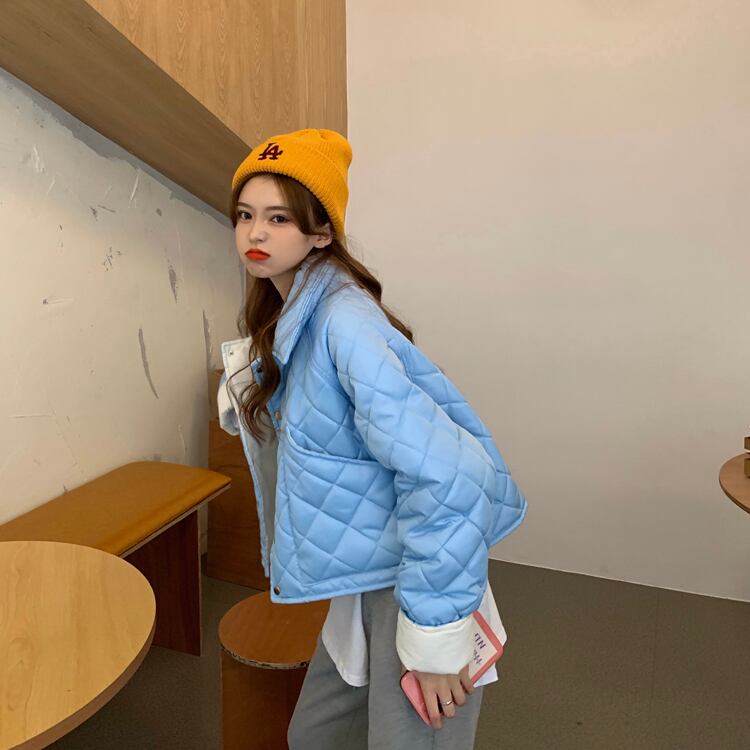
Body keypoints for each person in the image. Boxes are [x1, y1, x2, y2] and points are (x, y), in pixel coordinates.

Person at [217, 128, 527, 749]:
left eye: (278, 218)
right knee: (316, 736)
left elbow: (452, 476)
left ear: (320, 233)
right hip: (368, 573)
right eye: (245, 215)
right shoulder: (296, 314)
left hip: (416, 582)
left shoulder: (344, 323)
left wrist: (436, 637)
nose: (256, 233)